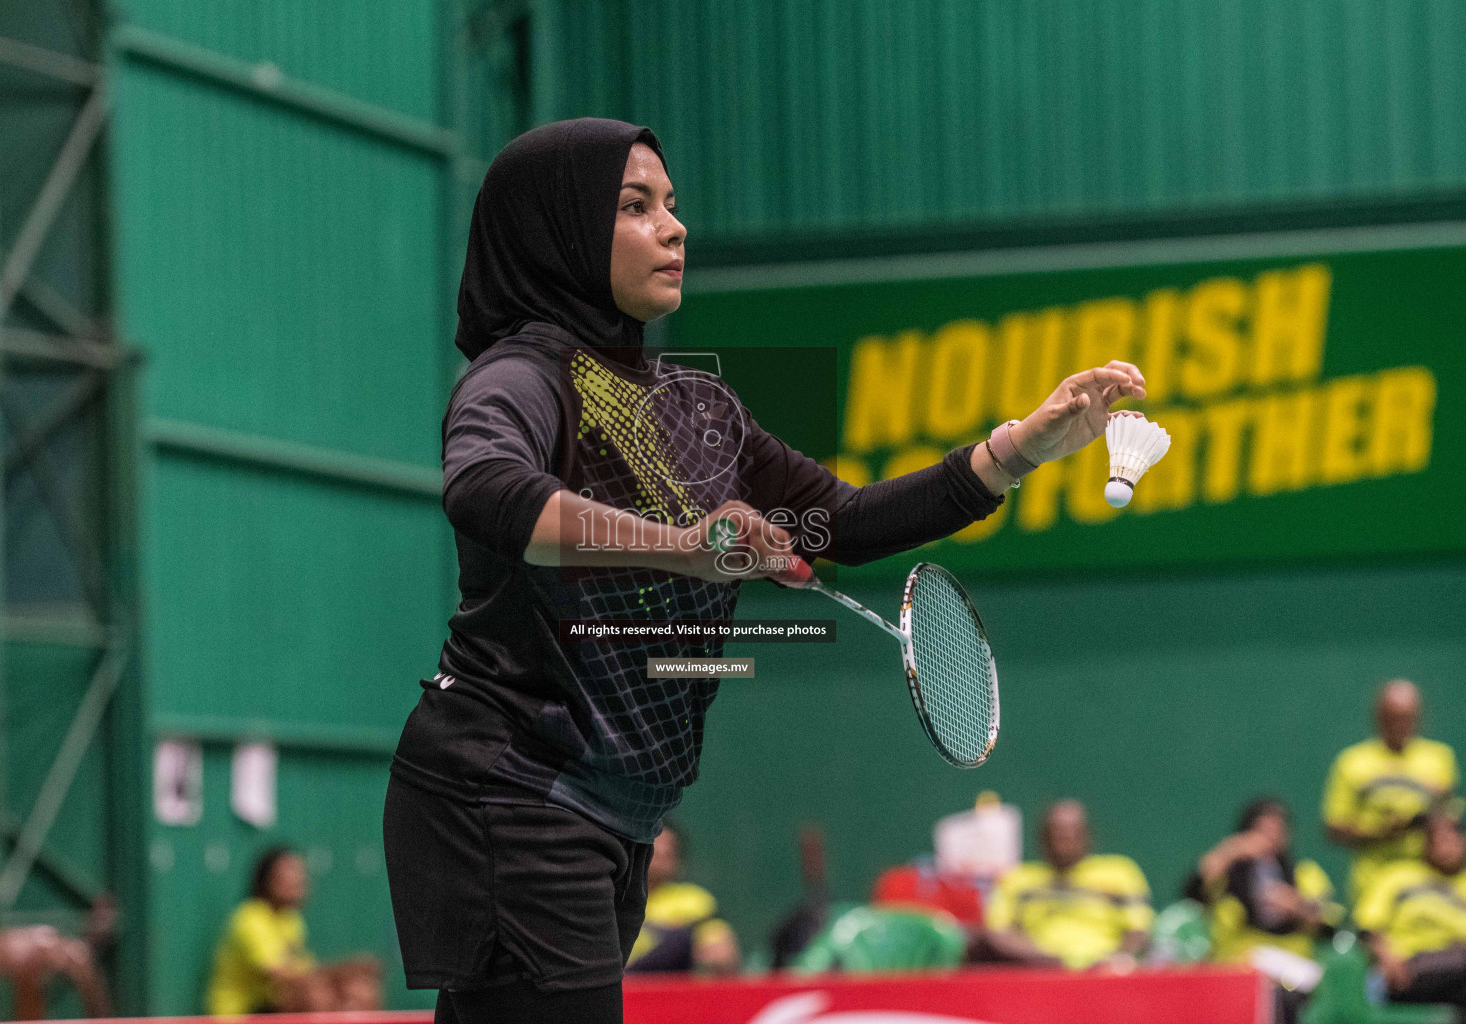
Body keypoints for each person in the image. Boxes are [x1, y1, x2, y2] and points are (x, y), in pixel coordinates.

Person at [381, 116, 1149, 1024]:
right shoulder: (519, 379)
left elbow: (847, 521)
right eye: (636, 207)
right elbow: (486, 492)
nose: (675, 228)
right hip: (513, 789)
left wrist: (1022, 447)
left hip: (612, 811)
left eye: (672, 204)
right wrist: (689, 546)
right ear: (558, 230)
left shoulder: (694, 404)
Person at [1186, 798, 1341, 1024]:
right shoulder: (1226, 875)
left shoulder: (1304, 874)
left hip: (1293, 976)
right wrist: (1231, 850)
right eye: (1262, 831)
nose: (1271, 838)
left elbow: (1330, 924)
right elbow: (1194, 891)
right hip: (1238, 973)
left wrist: (1296, 906)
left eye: (1278, 831)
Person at [1324, 680, 1458, 903]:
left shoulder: (1440, 758)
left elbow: (1450, 823)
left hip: (1427, 884)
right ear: (1378, 717)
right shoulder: (1352, 762)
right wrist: (1384, 831)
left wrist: (1433, 820)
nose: (1401, 725)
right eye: (1393, 717)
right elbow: (1335, 828)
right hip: (1372, 882)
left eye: (1408, 717)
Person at [206, 847, 381, 1015]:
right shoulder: (250, 918)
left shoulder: (291, 921)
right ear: (267, 879)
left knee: (359, 990)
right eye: (289, 873)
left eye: (300, 873)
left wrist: (348, 977)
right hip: (243, 1013)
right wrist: (341, 972)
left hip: (271, 1005)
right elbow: (282, 976)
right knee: (315, 995)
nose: (298, 880)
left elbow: (304, 969)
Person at [984, 800, 1153, 970]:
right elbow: (999, 933)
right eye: (1056, 832)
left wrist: (1117, 960)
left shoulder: (1120, 872)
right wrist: (1048, 960)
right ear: (1042, 837)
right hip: (1037, 972)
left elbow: (1139, 930)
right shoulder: (1015, 878)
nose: (1063, 838)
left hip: (1105, 972)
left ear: (1088, 835)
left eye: (1072, 831)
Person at [1356, 809, 1466, 1012]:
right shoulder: (1397, 876)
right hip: (1410, 967)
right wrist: (1386, 958)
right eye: (1439, 839)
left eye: (1452, 838)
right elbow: (1367, 928)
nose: (1447, 846)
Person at [625, 822, 740, 975]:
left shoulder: (694, 900)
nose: (662, 851)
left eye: (669, 849)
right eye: (654, 846)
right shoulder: (613, 896)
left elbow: (721, 954)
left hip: (670, 984)